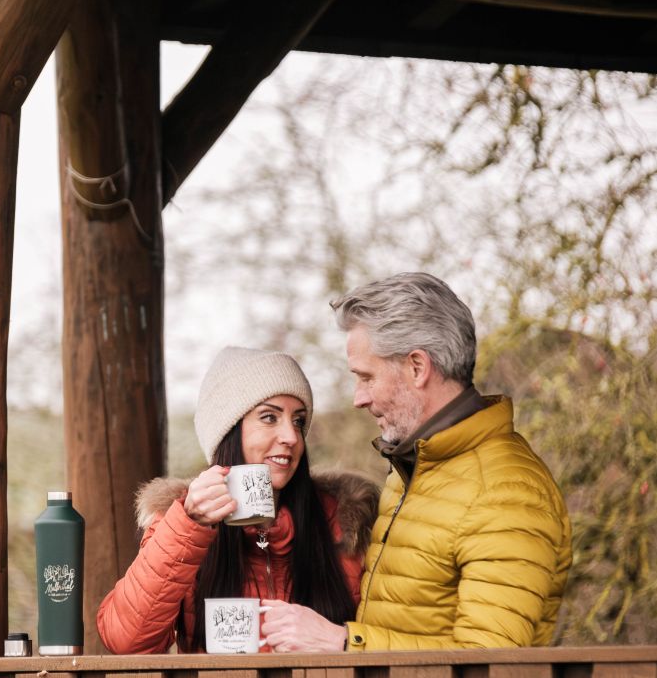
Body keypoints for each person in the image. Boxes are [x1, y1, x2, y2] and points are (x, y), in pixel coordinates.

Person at [330, 272, 572, 650]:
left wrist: (347, 643)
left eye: (366, 377)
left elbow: (489, 663)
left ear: (417, 367)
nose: (358, 398)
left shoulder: (505, 490)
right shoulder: (415, 467)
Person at [97, 346, 378, 654]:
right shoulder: (180, 525)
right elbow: (127, 642)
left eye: (298, 421)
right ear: (227, 433)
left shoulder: (346, 522)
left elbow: (387, 637)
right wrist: (189, 525)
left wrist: (337, 639)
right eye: (269, 417)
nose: (292, 437)